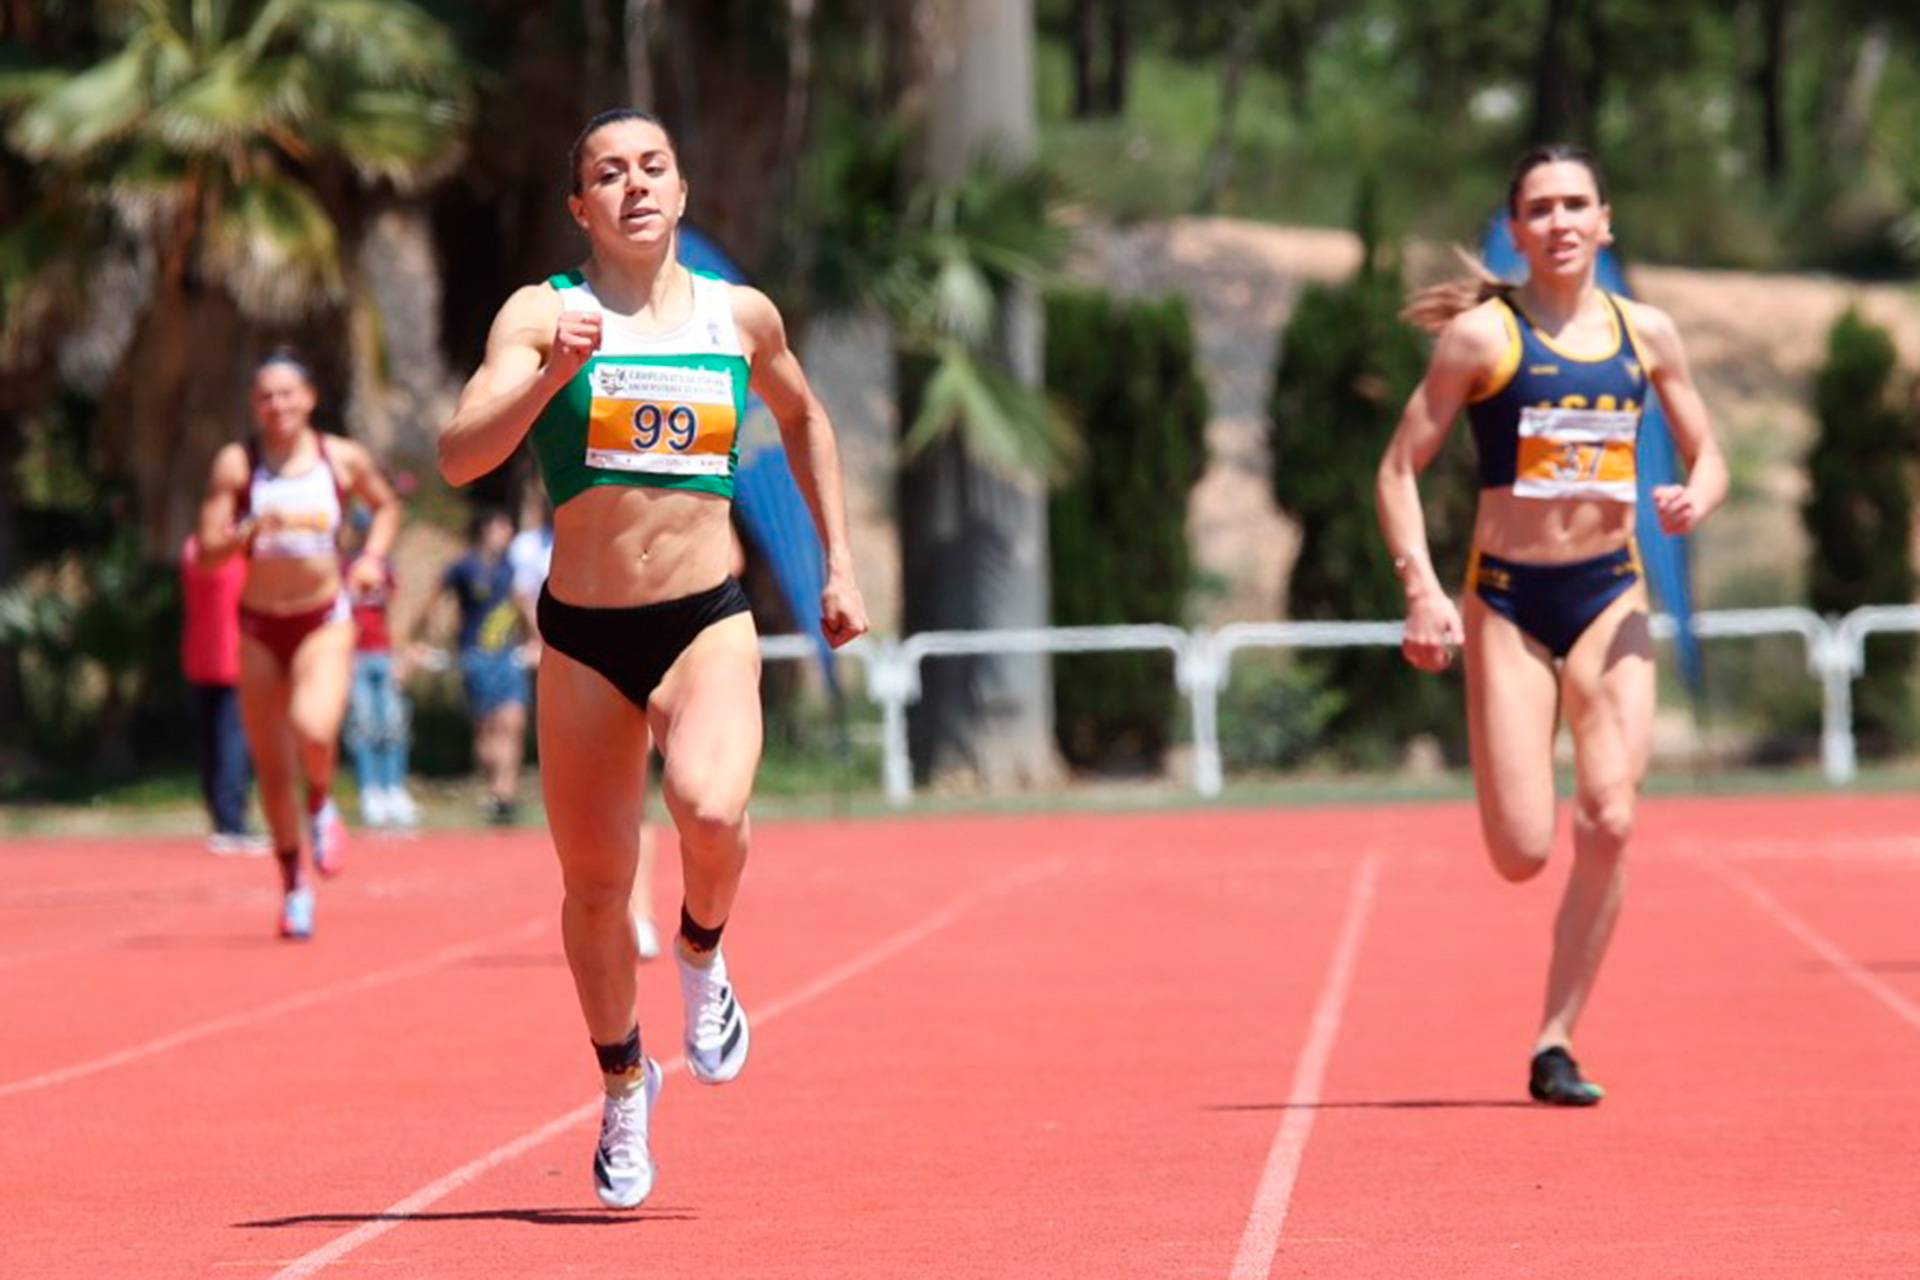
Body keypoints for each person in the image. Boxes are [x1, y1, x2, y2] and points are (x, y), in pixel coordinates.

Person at [438, 107, 868, 1210]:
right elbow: (457, 454)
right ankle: (626, 1084)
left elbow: (808, 417)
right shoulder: (545, 313)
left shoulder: (738, 316)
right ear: (579, 207)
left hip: (703, 618)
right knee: (591, 887)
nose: (634, 186)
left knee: (710, 810)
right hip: (582, 636)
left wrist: (840, 565)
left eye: (653, 167)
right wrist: (545, 378)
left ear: (681, 190)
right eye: (607, 174)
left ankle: (702, 954)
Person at [1376, 145, 1727, 1105]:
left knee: (1611, 815)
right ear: (1518, 230)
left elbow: (1709, 455)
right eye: (1542, 208)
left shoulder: (1647, 333)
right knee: (1523, 851)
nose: (1562, 221)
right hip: (1508, 603)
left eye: (1578, 204)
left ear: (1605, 222)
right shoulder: (1483, 340)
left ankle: (1555, 1041)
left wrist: (1695, 498)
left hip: (1610, 592)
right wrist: (1422, 588)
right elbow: (1398, 468)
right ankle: (1500, 762)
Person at [196, 348, 401, 939]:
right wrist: (242, 533)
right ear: (254, 405)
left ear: (309, 397)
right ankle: (294, 886)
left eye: (287, 394)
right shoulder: (239, 465)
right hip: (259, 625)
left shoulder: (339, 458)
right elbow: (207, 552)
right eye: (265, 396)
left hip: (323, 618)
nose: (277, 405)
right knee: (270, 768)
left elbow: (386, 506)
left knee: (313, 728)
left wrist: (370, 559)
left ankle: (321, 802)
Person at [509, 498, 663, 961]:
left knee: (635, 796)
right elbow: (523, 597)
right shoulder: (529, 548)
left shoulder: (638, 508)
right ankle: (605, 910)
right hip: (571, 662)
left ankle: (642, 912)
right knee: (589, 805)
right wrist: (541, 642)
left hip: (642, 654)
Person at [438, 505, 533, 824]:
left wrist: (535, 639)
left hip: (508, 656)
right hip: (476, 656)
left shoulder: (510, 568)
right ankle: (493, 788)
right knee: (488, 727)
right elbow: (436, 597)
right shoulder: (464, 566)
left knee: (514, 722)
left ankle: (506, 794)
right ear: (486, 529)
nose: (507, 534)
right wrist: (423, 637)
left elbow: (522, 604)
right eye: (502, 527)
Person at [179, 532, 265, 855]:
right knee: (232, 743)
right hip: (234, 657)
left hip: (200, 655)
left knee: (210, 742)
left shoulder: (192, 548)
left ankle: (220, 818)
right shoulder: (238, 555)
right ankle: (233, 823)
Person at [343, 506, 421, 829]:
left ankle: (394, 789)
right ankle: (370, 790)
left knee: (392, 724)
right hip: (355, 655)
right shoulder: (343, 567)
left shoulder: (386, 569)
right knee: (362, 725)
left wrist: (403, 655)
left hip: (384, 653)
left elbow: (397, 613)